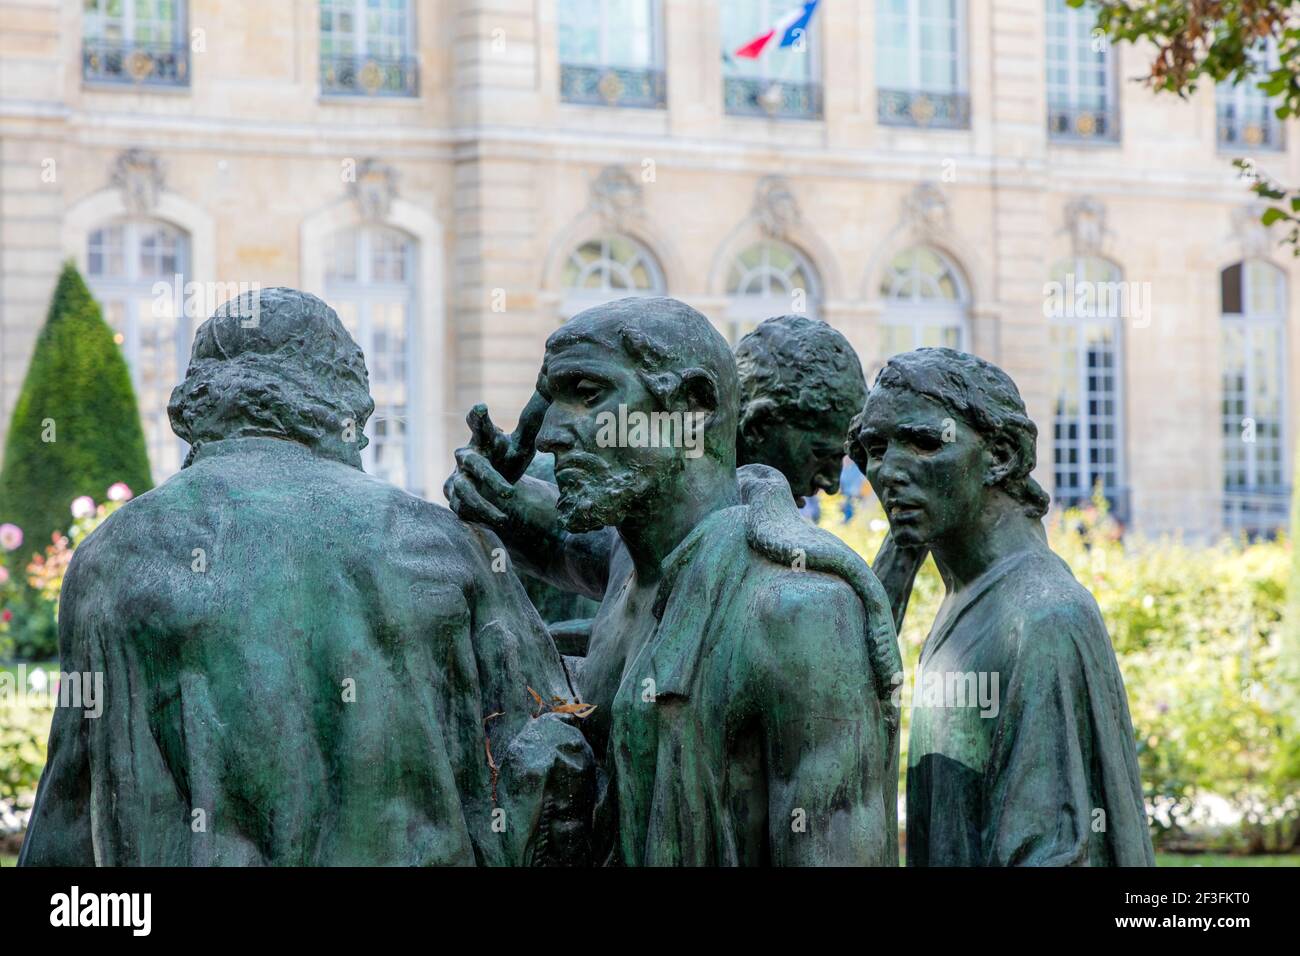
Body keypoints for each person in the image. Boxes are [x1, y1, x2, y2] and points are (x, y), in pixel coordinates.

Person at [19, 288, 593, 867]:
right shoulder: (443, 543)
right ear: (345, 406)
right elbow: (551, 761)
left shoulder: (112, 556)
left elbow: (68, 819)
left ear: (199, 406)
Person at [452, 296, 900, 866]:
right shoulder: (629, 564)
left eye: (588, 395)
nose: (550, 436)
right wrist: (491, 478)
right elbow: (532, 524)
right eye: (554, 401)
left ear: (694, 407)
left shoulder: (800, 612)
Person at [846, 347, 1154, 866]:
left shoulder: (1040, 620)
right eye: (876, 449)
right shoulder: (971, 596)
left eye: (924, 443)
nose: (889, 472)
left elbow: (1052, 853)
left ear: (1002, 455)